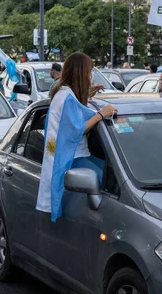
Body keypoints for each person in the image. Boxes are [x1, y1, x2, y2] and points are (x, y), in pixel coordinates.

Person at [36, 52, 117, 217]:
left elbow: (76, 111)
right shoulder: (65, 97)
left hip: (76, 155)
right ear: (81, 72)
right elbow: (76, 130)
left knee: (113, 178)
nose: (91, 75)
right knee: (109, 185)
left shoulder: (65, 94)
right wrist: (102, 114)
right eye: (89, 71)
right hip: (71, 158)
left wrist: (88, 94)